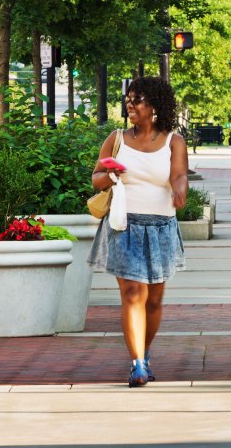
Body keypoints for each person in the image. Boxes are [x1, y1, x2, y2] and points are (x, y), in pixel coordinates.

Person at [88, 76, 188, 387]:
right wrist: (110, 174)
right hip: (124, 225)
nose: (130, 105)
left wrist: (179, 192)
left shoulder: (173, 141)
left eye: (138, 100)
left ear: (155, 105)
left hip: (161, 226)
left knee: (154, 299)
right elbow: (96, 178)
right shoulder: (116, 138)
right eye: (129, 100)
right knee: (133, 293)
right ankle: (137, 365)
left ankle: (143, 352)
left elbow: (180, 175)